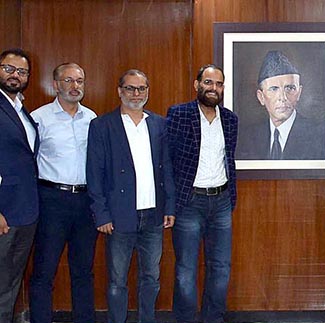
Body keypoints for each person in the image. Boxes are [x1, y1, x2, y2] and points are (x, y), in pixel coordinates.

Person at [87, 69, 176, 323]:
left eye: (141, 89)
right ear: (119, 91)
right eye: (130, 88)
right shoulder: (102, 125)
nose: (136, 94)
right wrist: (101, 214)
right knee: (117, 281)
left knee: (151, 278)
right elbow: (95, 173)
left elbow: (167, 168)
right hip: (119, 216)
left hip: (153, 215)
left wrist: (169, 207)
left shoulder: (159, 124)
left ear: (147, 91)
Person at [166, 64, 238, 323]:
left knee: (221, 268)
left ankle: (213, 319)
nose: (214, 89)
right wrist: (170, 206)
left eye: (219, 84)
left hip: (221, 202)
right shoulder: (179, 114)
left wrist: (230, 198)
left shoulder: (230, 119)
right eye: (208, 83)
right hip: (189, 203)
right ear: (197, 85)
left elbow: (228, 159)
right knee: (185, 270)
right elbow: (169, 161)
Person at [29, 63, 98, 323]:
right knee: (44, 272)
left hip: (84, 202)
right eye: (68, 80)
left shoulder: (92, 119)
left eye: (79, 80)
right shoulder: (38, 118)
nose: (74, 86)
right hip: (51, 201)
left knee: (83, 271)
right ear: (56, 84)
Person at [0, 48, 38, 323]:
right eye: (8, 69)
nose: (15, 75)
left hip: (25, 211)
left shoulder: (21, 109)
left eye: (21, 71)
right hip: (3, 212)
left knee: (10, 281)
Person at [237, 50, 325, 160]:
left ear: (299, 92)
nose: (283, 97)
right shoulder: (247, 138)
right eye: (274, 89)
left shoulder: (319, 135)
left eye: (290, 88)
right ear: (261, 97)